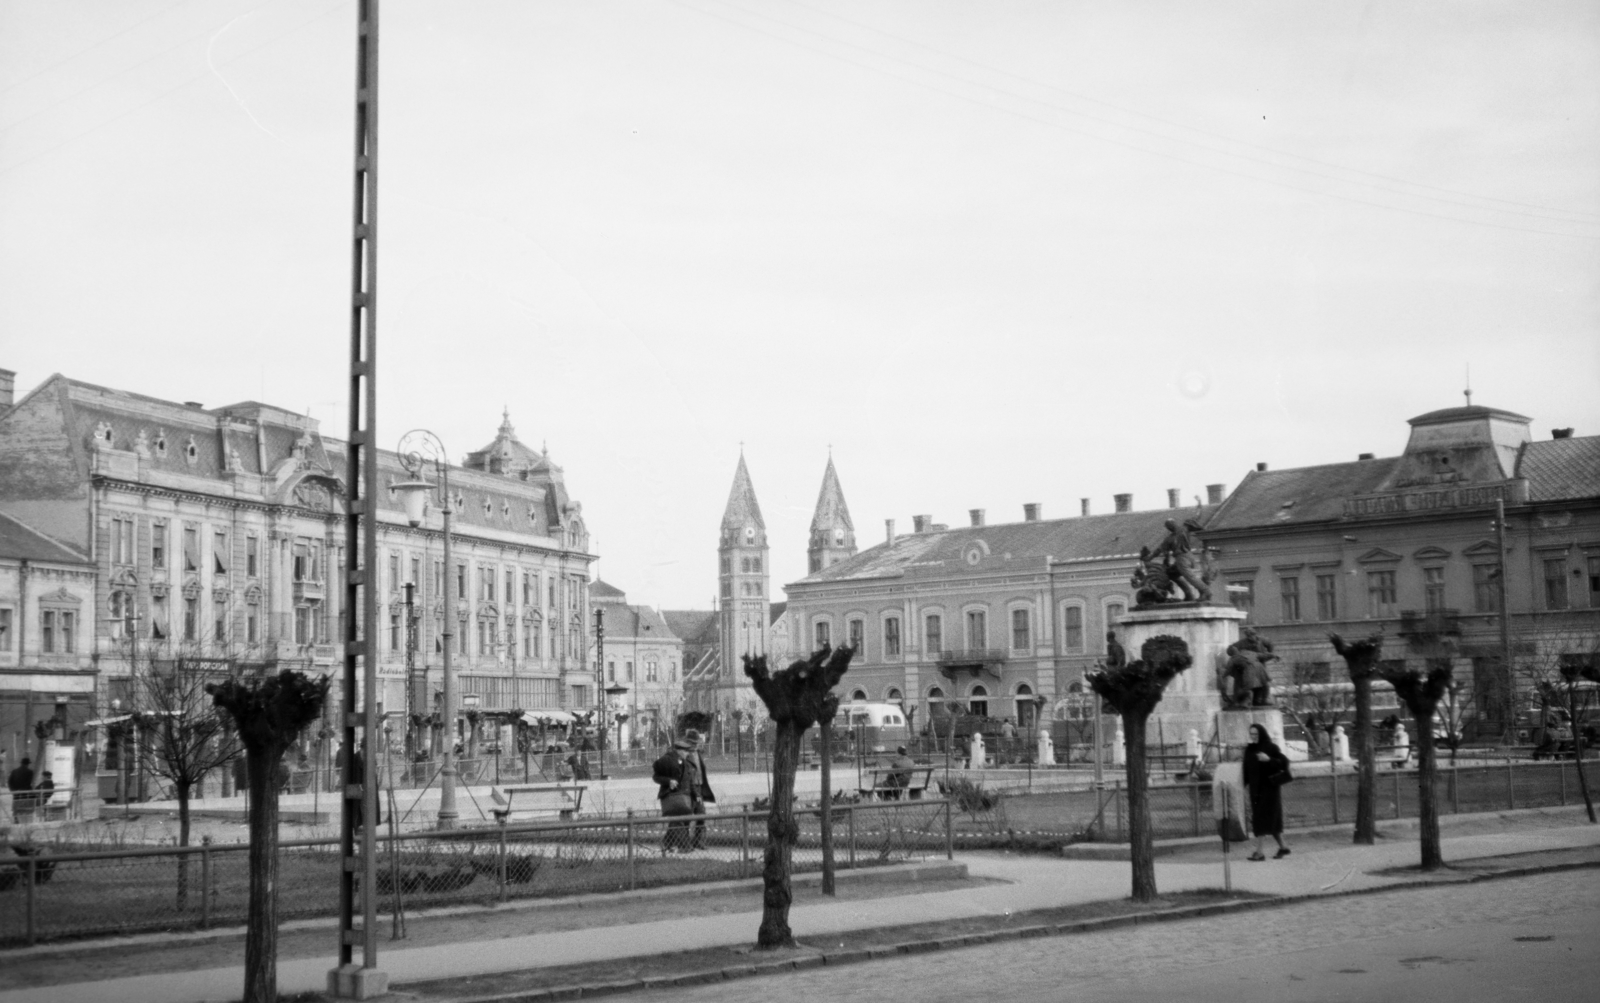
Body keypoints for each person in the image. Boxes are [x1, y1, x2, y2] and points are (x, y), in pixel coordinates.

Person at [1242, 724, 1291, 860]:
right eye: (1251, 734)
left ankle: (1259, 853)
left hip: (1269, 790)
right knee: (1271, 821)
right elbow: (1246, 771)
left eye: (1256, 734)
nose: (1253, 737)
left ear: (1261, 734)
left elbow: (1284, 763)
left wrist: (1269, 759)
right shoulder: (1249, 750)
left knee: (1261, 819)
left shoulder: (1271, 747)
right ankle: (1284, 847)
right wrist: (1241, 785)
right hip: (1255, 790)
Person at [652, 738, 697, 853]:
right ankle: (685, 847)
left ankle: (666, 844)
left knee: (682, 821)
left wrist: (696, 795)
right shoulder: (667, 760)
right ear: (679, 751)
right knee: (677, 821)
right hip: (672, 797)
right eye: (686, 751)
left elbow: (690, 781)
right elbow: (656, 777)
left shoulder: (686, 763)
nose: (688, 754)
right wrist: (668, 781)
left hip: (685, 797)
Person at [687, 731, 717, 849]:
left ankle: (698, 841)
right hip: (689, 789)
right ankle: (685, 843)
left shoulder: (697, 753)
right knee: (687, 817)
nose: (695, 744)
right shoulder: (685, 755)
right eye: (693, 742)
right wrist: (694, 792)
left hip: (699, 787)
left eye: (696, 742)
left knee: (701, 815)